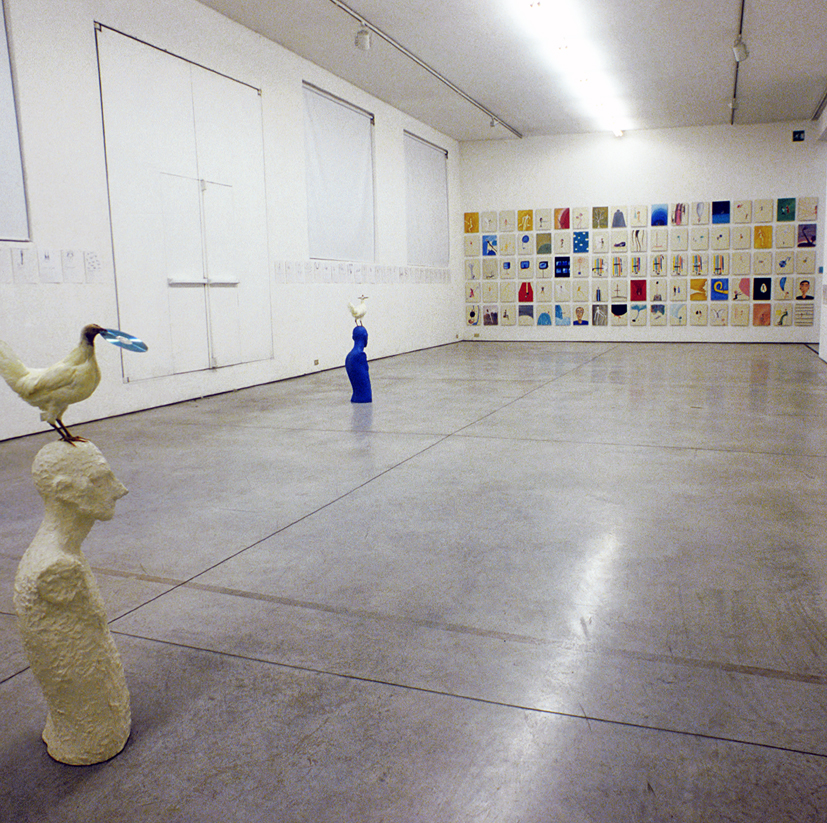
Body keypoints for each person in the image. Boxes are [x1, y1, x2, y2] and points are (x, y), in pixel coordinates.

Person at [14, 440, 131, 765]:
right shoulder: (57, 569)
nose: (119, 489)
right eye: (100, 479)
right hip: (92, 728)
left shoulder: (57, 556)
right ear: (65, 491)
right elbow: (78, 666)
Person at [345, 325, 372, 403]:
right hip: (363, 398)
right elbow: (365, 382)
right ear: (365, 336)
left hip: (356, 396)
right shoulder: (359, 355)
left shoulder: (350, 356)